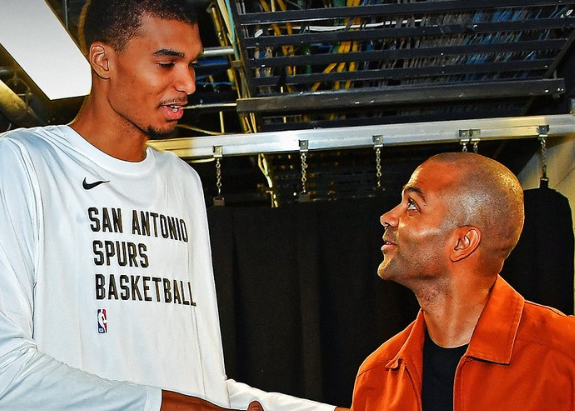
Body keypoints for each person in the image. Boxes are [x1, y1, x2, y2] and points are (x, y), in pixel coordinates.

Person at [0, 1, 342, 410]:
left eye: (192, 64)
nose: (189, 84)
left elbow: (200, 381)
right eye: (166, 64)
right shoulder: (21, 163)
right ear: (103, 60)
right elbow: (7, 373)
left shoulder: (183, 182)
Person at [350, 152, 575, 411]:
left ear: (462, 242)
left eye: (412, 204)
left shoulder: (566, 351)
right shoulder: (376, 376)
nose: (387, 217)